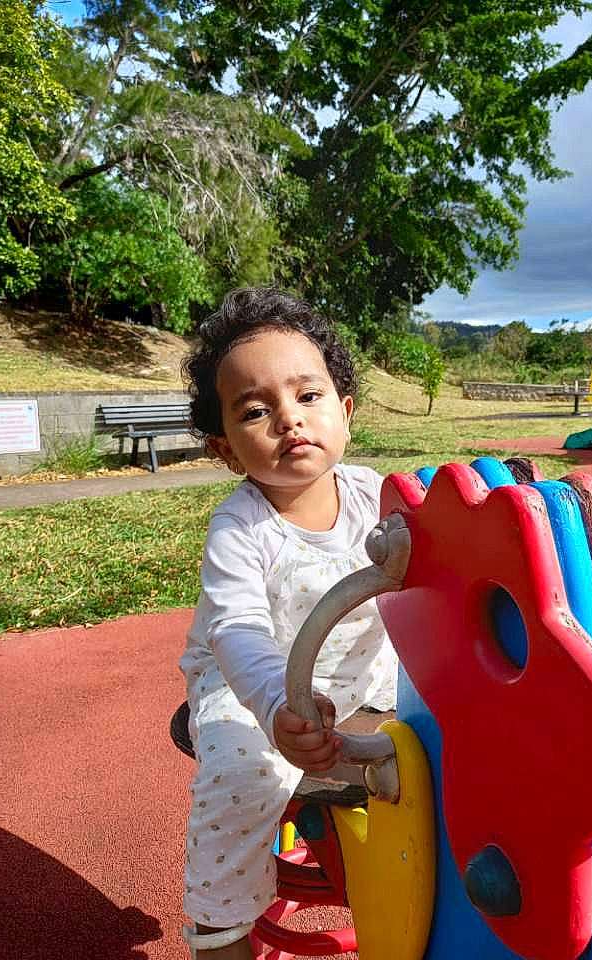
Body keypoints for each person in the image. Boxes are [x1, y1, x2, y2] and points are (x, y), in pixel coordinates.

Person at [178, 288, 398, 959]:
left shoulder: (377, 496)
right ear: (224, 448)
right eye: (255, 409)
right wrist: (277, 704)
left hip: (367, 677)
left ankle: (419, 884)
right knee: (243, 772)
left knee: (460, 743)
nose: (289, 420)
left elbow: (445, 534)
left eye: (309, 396)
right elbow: (237, 630)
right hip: (249, 684)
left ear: (346, 411)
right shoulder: (241, 527)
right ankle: (220, 925)